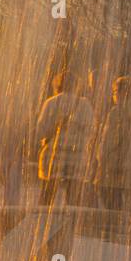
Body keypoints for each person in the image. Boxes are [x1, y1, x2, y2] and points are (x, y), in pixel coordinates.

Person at [33, 70, 96, 206]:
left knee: (47, 195)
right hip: (76, 155)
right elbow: (91, 130)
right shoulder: (85, 104)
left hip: (55, 155)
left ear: (58, 84)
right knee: (74, 198)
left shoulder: (51, 103)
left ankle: (43, 223)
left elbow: (41, 129)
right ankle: (72, 225)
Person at [91, 76, 131, 216]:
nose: (114, 95)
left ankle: (114, 232)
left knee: (111, 205)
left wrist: (100, 158)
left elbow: (109, 141)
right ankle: (129, 231)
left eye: (115, 92)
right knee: (130, 206)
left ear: (122, 93)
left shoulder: (115, 113)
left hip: (114, 169)